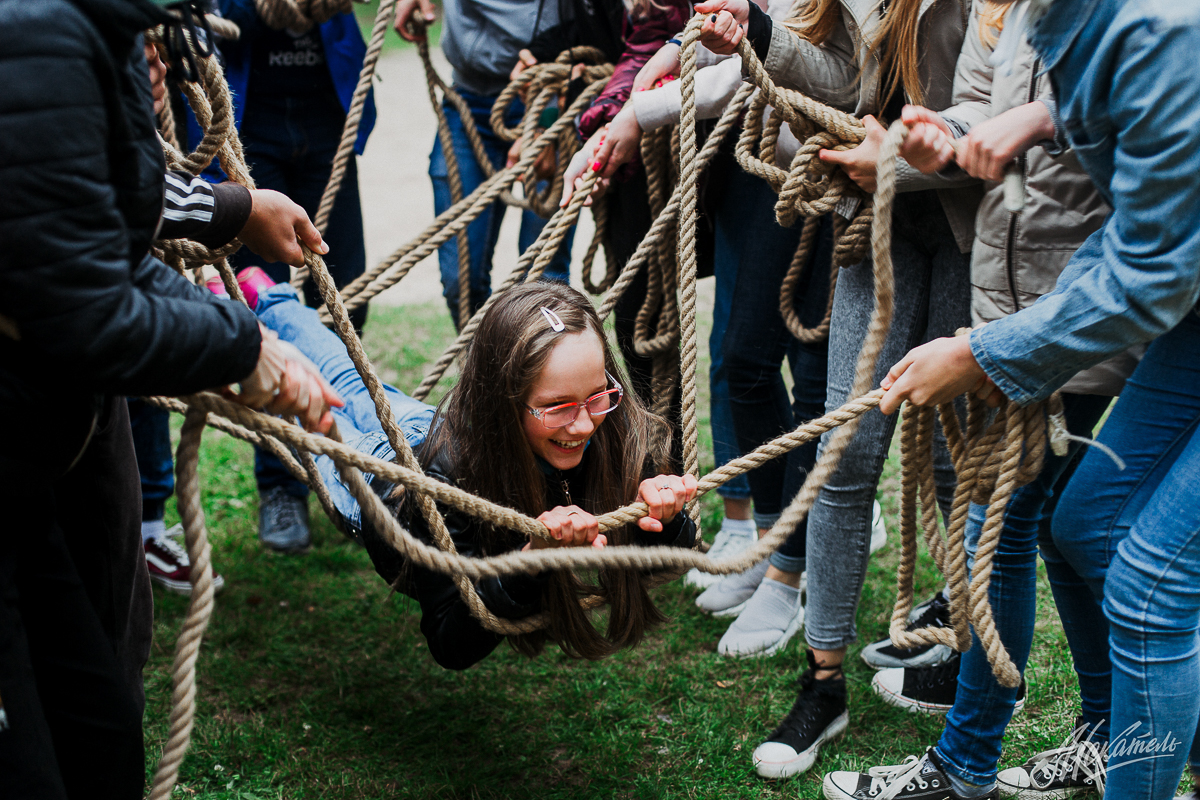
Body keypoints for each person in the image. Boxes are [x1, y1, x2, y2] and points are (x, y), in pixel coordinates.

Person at [0, 1, 339, 797]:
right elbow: (87, 309)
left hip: (27, 459)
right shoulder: (37, 29)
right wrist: (245, 349)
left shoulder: (101, 26)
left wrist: (248, 330)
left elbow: (110, 237)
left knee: (102, 726)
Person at [877, 0, 1200, 797]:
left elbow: (1152, 268)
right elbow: (1132, 222)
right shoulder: (1053, 20)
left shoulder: (1159, 26)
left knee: (1149, 583)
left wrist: (984, 350)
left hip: (1169, 293)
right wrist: (1000, 127)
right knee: (1085, 523)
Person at [818, 1, 1137, 797]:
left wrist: (1036, 118)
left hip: (1087, 306)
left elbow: (1147, 93)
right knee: (1037, 533)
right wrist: (932, 143)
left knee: (1069, 534)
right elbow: (976, 116)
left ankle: (981, 761)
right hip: (1008, 303)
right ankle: (1087, 738)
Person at [697, 0, 980, 779]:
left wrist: (896, 159)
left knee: (959, 465)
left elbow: (1002, 113)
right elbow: (851, 82)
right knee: (842, 458)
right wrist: (757, 31)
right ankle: (824, 682)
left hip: (964, 231)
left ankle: (961, 651)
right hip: (877, 228)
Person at [238, 277, 699, 670]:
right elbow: (450, 642)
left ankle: (266, 302)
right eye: (557, 406)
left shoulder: (605, 425)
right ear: (501, 403)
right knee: (310, 392)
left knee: (347, 379)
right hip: (380, 481)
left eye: (597, 396)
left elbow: (666, 558)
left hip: (427, 430)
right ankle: (247, 312)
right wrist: (530, 559)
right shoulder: (450, 482)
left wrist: (663, 514)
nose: (583, 424)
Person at [209, 0, 377, 554]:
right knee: (266, 313)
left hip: (327, 123)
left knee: (348, 301)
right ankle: (283, 486)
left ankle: (358, 465)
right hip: (248, 126)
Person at [392, 0, 575, 326]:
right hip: (467, 100)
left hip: (548, 96)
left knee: (545, 281)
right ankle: (484, 373)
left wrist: (548, 121)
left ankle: (542, 374)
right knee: (460, 281)